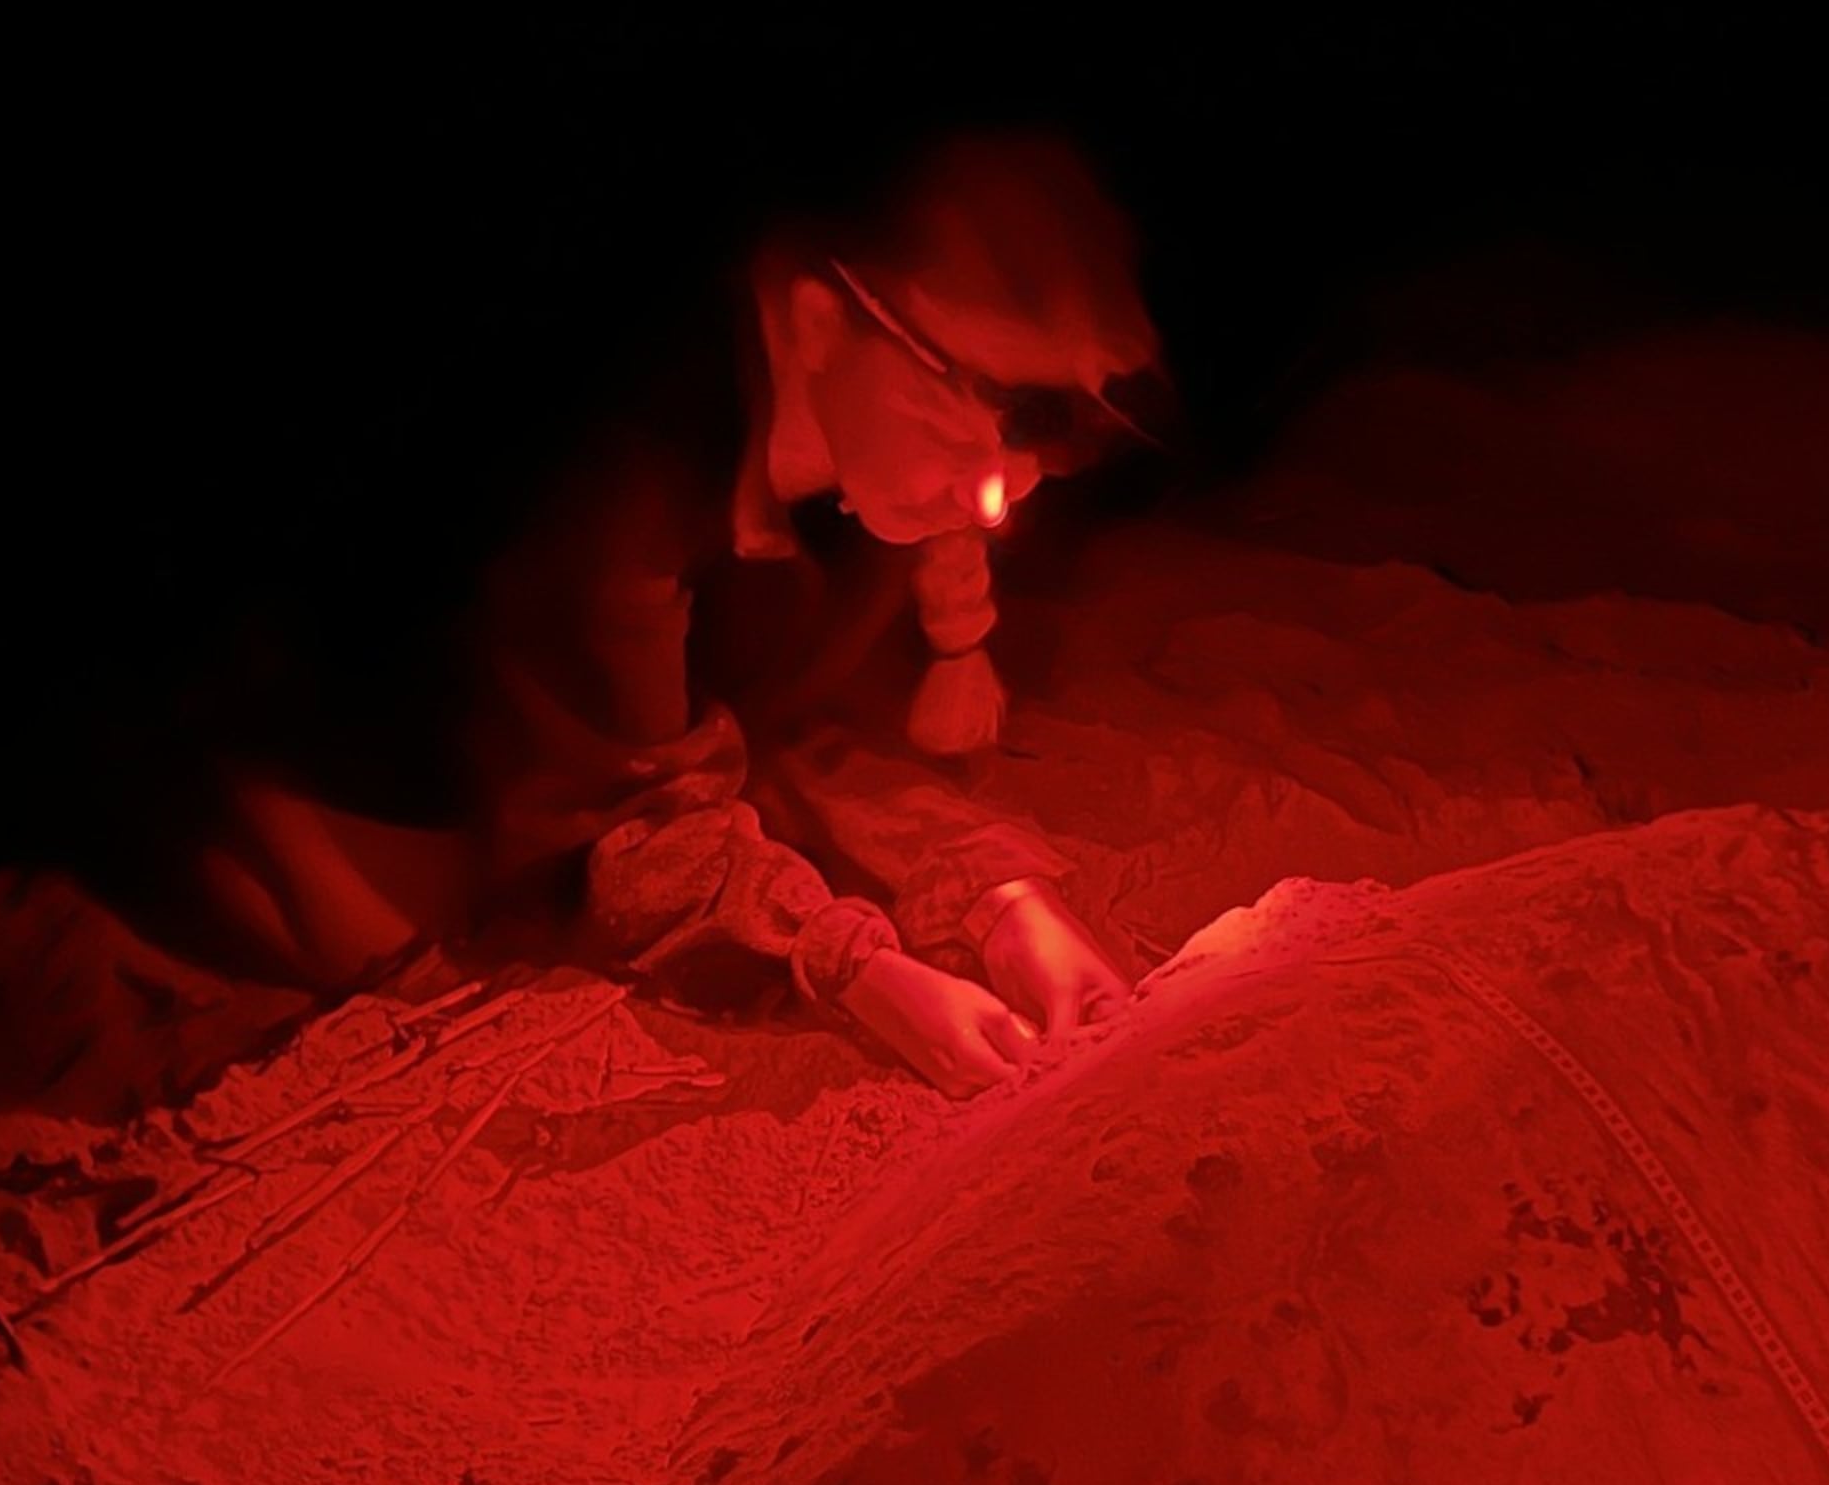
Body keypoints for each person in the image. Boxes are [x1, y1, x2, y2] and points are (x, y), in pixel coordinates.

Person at [193, 133, 1158, 1096]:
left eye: (1047, 428)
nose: (1003, 487)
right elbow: (622, 840)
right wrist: (858, 970)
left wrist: (999, 895)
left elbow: (797, 726)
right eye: (986, 405)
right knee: (381, 921)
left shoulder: (858, 479)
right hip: (338, 731)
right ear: (821, 321)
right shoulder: (611, 479)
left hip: (583, 733)